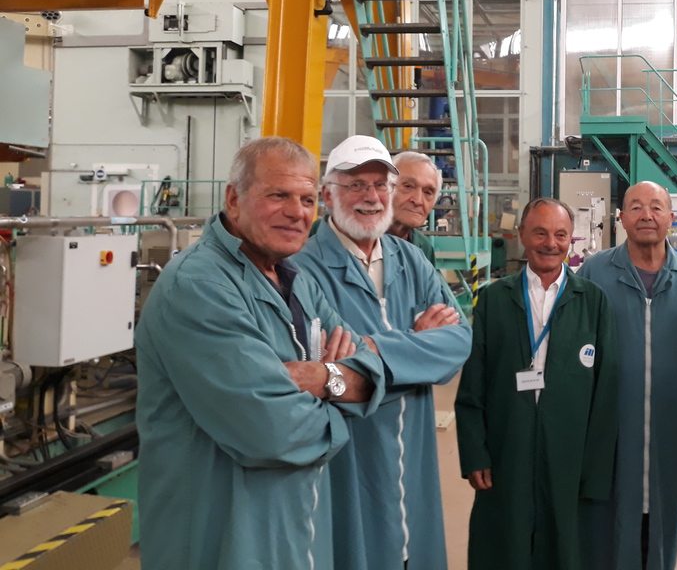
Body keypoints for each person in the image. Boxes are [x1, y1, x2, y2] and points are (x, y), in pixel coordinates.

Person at [135, 136, 386, 570]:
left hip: (296, 525)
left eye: (307, 199)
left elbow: (372, 370)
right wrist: (343, 400)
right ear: (234, 200)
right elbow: (271, 432)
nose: (296, 212)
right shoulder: (199, 286)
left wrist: (323, 379)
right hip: (223, 537)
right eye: (278, 195)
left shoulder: (297, 281)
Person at [292, 134, 471, 570]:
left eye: (380, 185)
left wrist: (370, 349)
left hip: (416, 453)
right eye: (355, 185)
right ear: (327, 195)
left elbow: (459, 341)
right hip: (351, 455)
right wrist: (416, 346)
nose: (371, 197)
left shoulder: (412, 260)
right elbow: (329, 376)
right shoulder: (302, 269)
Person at [455, 198, 619, 570]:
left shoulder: (593, 302)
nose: (550, 243)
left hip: (569, 456)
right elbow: (472, 386)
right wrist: (475, 454)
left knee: (564, 549)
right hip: (506, 449)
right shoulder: (494, 300)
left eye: (560, 235)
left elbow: (605, 393)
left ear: (570, 239)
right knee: (504, 545)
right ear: (522, 235)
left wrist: (594, 472)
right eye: (540, 233)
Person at [575, 181, 677, 570]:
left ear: (672, 218)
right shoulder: (594, 273)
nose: (646, 215)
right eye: (635, 207)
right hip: (611, 429)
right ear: (621, 218)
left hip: (672, 431)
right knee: (609, 529)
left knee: (664, 527)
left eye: (656, 207)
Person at [389, 150, 443, 265]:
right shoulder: (364, 239)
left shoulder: (424, 247)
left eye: (428, 192)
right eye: (408, 186)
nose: (418, 201)